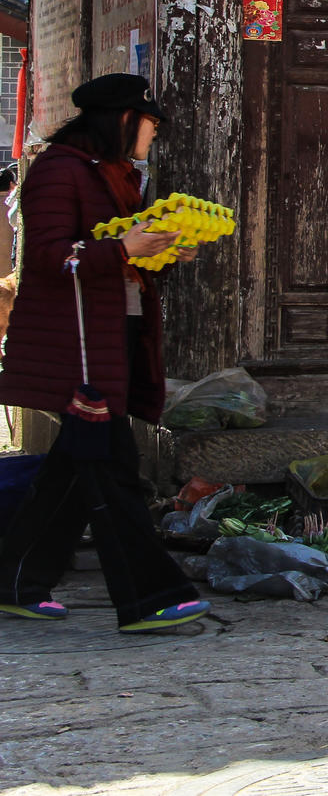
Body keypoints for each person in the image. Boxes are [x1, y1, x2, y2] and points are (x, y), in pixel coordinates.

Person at [0, 74, 210, 633]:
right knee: (113, 467)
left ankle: (15, 579)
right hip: (77, 347)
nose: (153, 135)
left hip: (112, 335)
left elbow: (117, 253)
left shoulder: (115, 174)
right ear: (119, 118)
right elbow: (48, 257)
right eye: (150, 124)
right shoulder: (58, 170)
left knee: (74, 469)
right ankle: (151, 596)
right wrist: (123, 248)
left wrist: (161, 249)